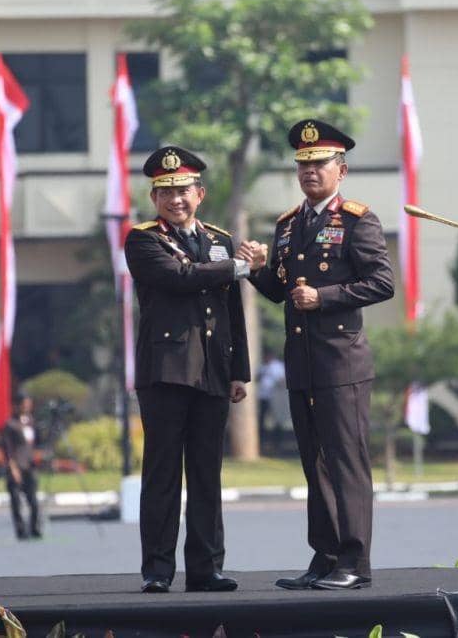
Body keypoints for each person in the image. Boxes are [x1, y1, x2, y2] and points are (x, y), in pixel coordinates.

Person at [241, 119, 394, 591]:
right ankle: (324, 558)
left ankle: (355, 562)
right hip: (302, 362)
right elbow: (280, 292)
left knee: (346, 462)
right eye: (303, 164)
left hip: (341, 361)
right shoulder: (290, 224)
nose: (310, 171)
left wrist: (324, 297)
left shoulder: (357, 219)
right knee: (314, 463)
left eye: (319, 163)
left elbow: (382, 283)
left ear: (340, 170)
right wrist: (257, 271)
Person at [124, 145, 261, 594]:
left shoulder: (219, 239)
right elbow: (179, 278)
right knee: (162, 473)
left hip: (214, 372)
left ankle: (206, 568)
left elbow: (232, 308)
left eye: (182, 190)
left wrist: (239, 369)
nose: (175, 199)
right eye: (165, 192)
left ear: (200, 193)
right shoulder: (143, 239)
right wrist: (237, 266)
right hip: (166, 370)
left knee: (206, 473)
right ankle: (158, 570)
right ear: (154, 199)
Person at [2, 393, 41, 540]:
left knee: (33, 499)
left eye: (28, 404)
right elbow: (8, 449)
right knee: (16, 501)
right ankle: (20, 530)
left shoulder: (31, 422)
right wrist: (13, 468)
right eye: (24, 404)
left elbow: (36, 443)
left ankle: (35, 528)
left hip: (29, 466)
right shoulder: (11, 424)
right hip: (17, 465)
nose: (26, 407)